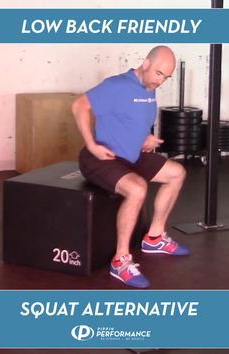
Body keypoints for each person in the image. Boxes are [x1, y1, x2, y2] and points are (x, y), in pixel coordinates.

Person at [72, 45, 189, 289]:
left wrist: (145, 138)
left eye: (166, 77)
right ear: (145, 63)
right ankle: (120, 260)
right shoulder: (116, 85)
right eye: (158, 73)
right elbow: (79, 105)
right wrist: (91, 145)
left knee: (177, 173)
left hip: (132, 155)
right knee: (137, 189)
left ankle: (154, 237)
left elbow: (133, 120)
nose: (161, 81)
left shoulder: (149, 89)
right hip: (102, 157)